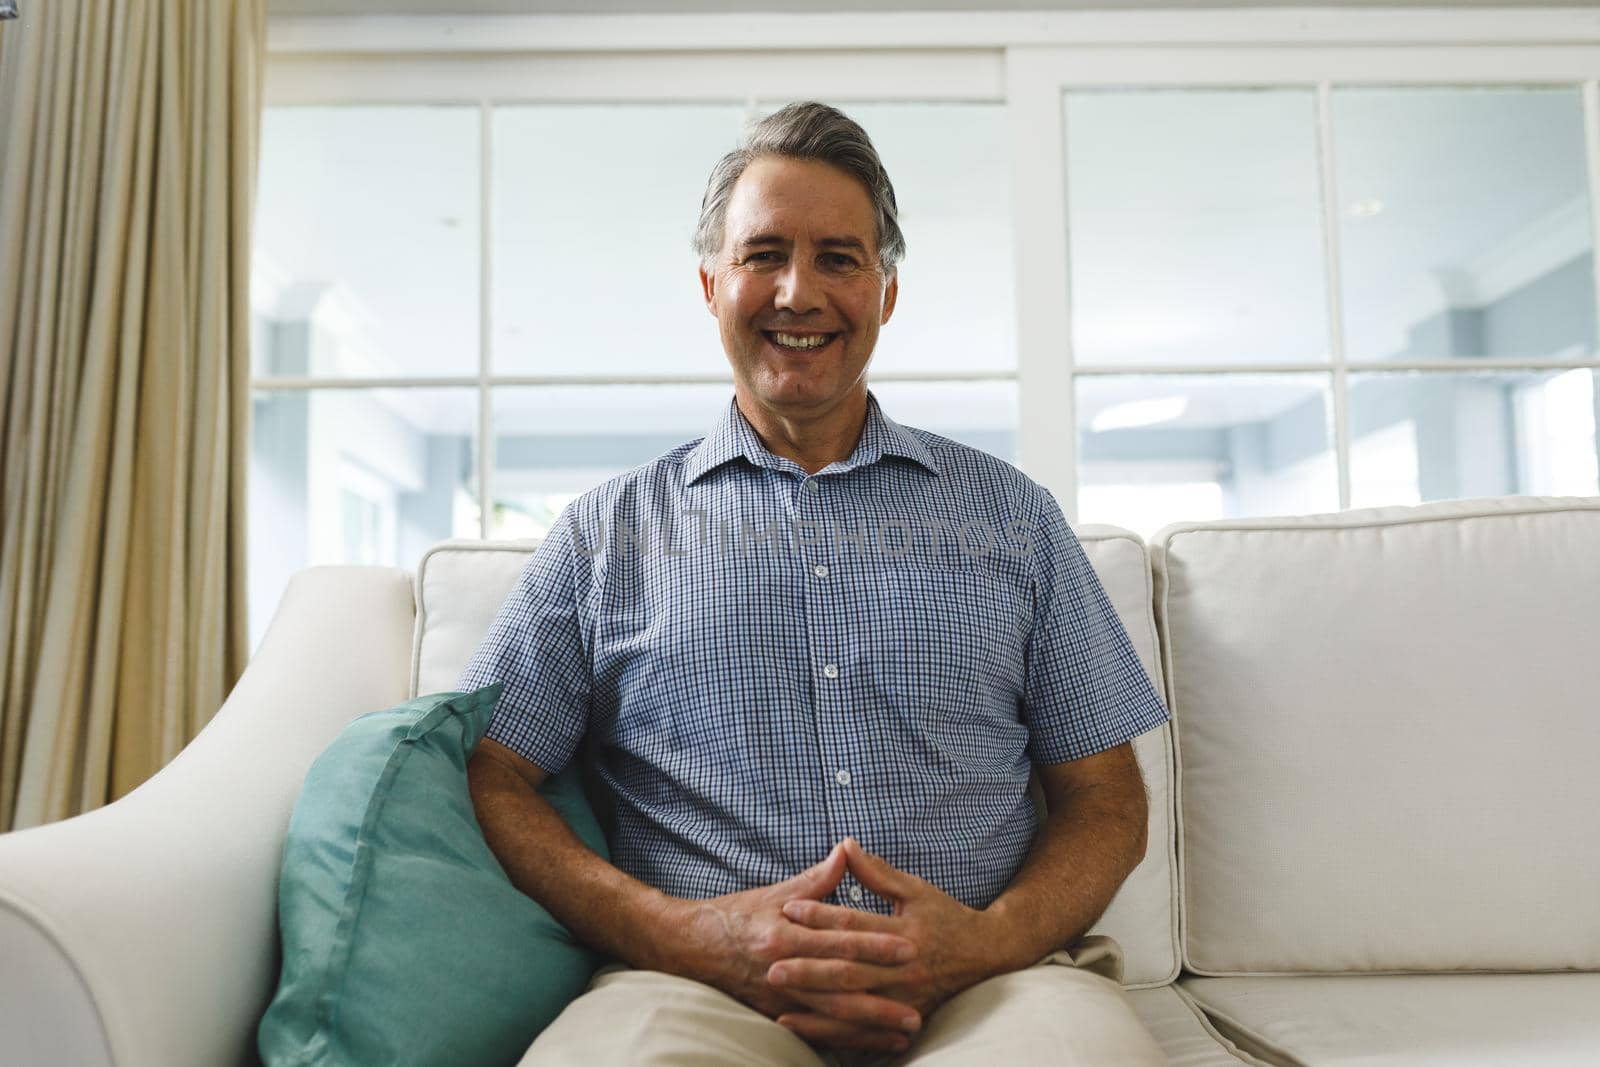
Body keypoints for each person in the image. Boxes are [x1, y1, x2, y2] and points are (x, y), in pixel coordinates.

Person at [458, 101, 1172, 1066]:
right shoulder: (604, 532)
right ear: (712, 284)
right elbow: (495, 772)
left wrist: (985, 938)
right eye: (764, 255)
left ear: (884, 292)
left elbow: (1107, 798)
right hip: (691, 988)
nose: (799, 292)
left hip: (993, 984)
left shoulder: (1013, 518)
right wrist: (679, 932)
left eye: (839, 257)